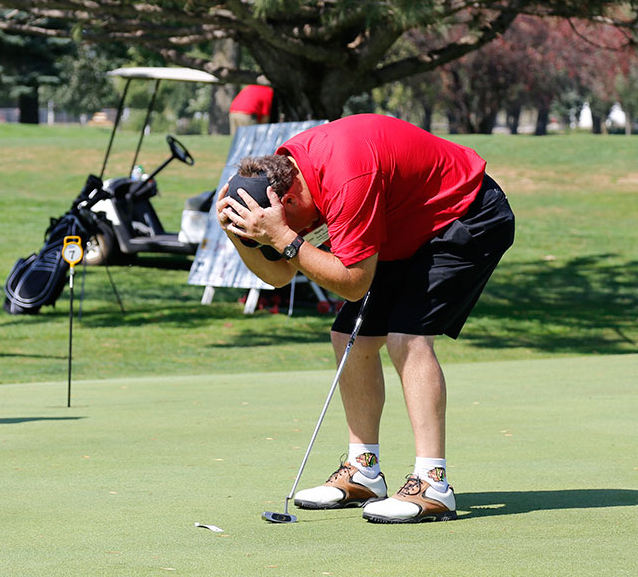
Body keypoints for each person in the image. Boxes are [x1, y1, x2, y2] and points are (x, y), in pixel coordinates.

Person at [216, 114, 515, 523]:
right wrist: (240, 236)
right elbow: (280, 274)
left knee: (406, 336)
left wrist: (284, 238)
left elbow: (352, 283)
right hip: (401, 227)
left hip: (465, 213)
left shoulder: (345, 179)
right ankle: (363, 471)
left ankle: (434, 483)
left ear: (283, 203)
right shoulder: (291, 181)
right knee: (349, 338)